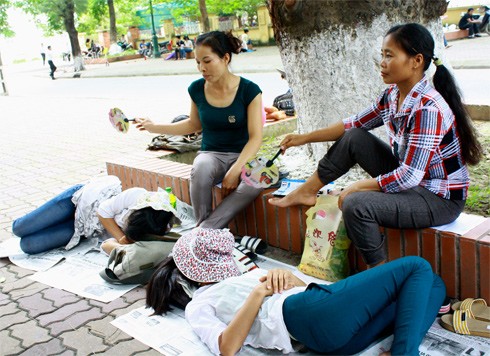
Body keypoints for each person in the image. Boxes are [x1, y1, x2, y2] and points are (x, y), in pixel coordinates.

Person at [269, 23, 482, 268]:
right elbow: (353, 124)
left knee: (356, 205)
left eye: (389, 55)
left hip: (439, 199)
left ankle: (379, 274)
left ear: (416, 60)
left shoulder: (428, 108)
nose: (382, 62)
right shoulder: (392, 95)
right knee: (355, 137)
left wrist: (358, 187)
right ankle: (306, 191)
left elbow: (409, 176)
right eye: (382, 54)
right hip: (414, 184)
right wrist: (304, 137)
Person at [146, 228, 446, 355]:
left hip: (330, 332)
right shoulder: (199, 305)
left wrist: (286, 277)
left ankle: (401, 349)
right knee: (416, 267)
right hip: (306, 317)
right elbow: (227, 347)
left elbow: (307, 289)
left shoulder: (249, 274)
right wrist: (257, 294)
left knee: (435, 285)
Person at [135, 31, 263, 229]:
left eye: (207, 61)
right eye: (197, 62)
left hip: (244, 155)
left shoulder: (250, 90)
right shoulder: (196, 89)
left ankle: (204, 230)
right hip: (212, 154)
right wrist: (153, 127)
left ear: (225, 58)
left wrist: (235, 169)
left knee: (256, 181)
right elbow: (193, 125)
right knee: (200, 168)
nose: (202, 68)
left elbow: (255, 138)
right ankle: (202, 225)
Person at [12, 176, 177, 255]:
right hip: (80, 202)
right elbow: (103, 211)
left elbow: (108, 245)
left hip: (84, 228)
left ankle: (59, 224)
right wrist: (122, 239)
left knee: (28, 246)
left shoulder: (158, 228)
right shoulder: (137, 196)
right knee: (19, 228)